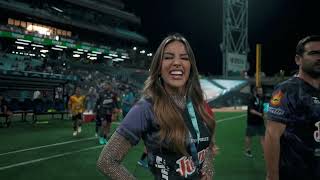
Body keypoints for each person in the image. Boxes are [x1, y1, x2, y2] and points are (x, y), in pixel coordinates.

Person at [97, 33, 216, 179]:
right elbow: (107, 161)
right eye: (168, 57)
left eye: (184, 58)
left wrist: (208, 165)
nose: (177, 62)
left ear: (191, 67)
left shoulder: (199, 105)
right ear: (159, 67)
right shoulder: (146, 108)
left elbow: (208, 145)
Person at [264, 35, 320, 180]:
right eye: (313, 53)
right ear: (298, 59)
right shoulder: (287, 90)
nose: (319, 58)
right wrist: (272, 176)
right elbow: (272, 135)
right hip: (295, 173)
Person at [244, 86, 265, 157]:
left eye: (261, 91)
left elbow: (262, 108)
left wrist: (263, 115)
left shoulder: (261, 98)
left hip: (260, 121)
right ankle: (248, 151)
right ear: (255, 92)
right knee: (249, 136)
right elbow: (251, 110)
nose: (261, 92)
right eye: (260, 91)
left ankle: (264, 152)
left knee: (262, 136)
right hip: (252, 121)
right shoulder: (251, 98)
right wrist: (261, 115)